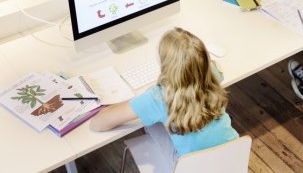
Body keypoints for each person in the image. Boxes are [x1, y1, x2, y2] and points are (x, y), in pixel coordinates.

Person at [90, 28, 238, 165]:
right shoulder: (211, 73)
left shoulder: (158, 97)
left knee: (152, 123)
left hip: (190, 166)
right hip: (232, 157)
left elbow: (97, 124)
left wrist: (141, 100)